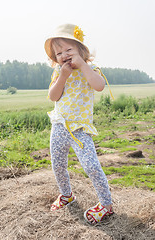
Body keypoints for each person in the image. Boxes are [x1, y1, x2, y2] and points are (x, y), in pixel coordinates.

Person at [44, 23, 114, 224]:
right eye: (59, 53)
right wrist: (63, 76)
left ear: (81, 50)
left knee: (91, 165)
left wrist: (83, 65)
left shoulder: (90, 69)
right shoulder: (59, 72)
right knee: (58, 165)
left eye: (69, 50)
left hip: (80, 129)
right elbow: (53, 96)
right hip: (59, 126)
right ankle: (66, 195)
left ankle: (106, 204)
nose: (64, 55)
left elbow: (99, 86)